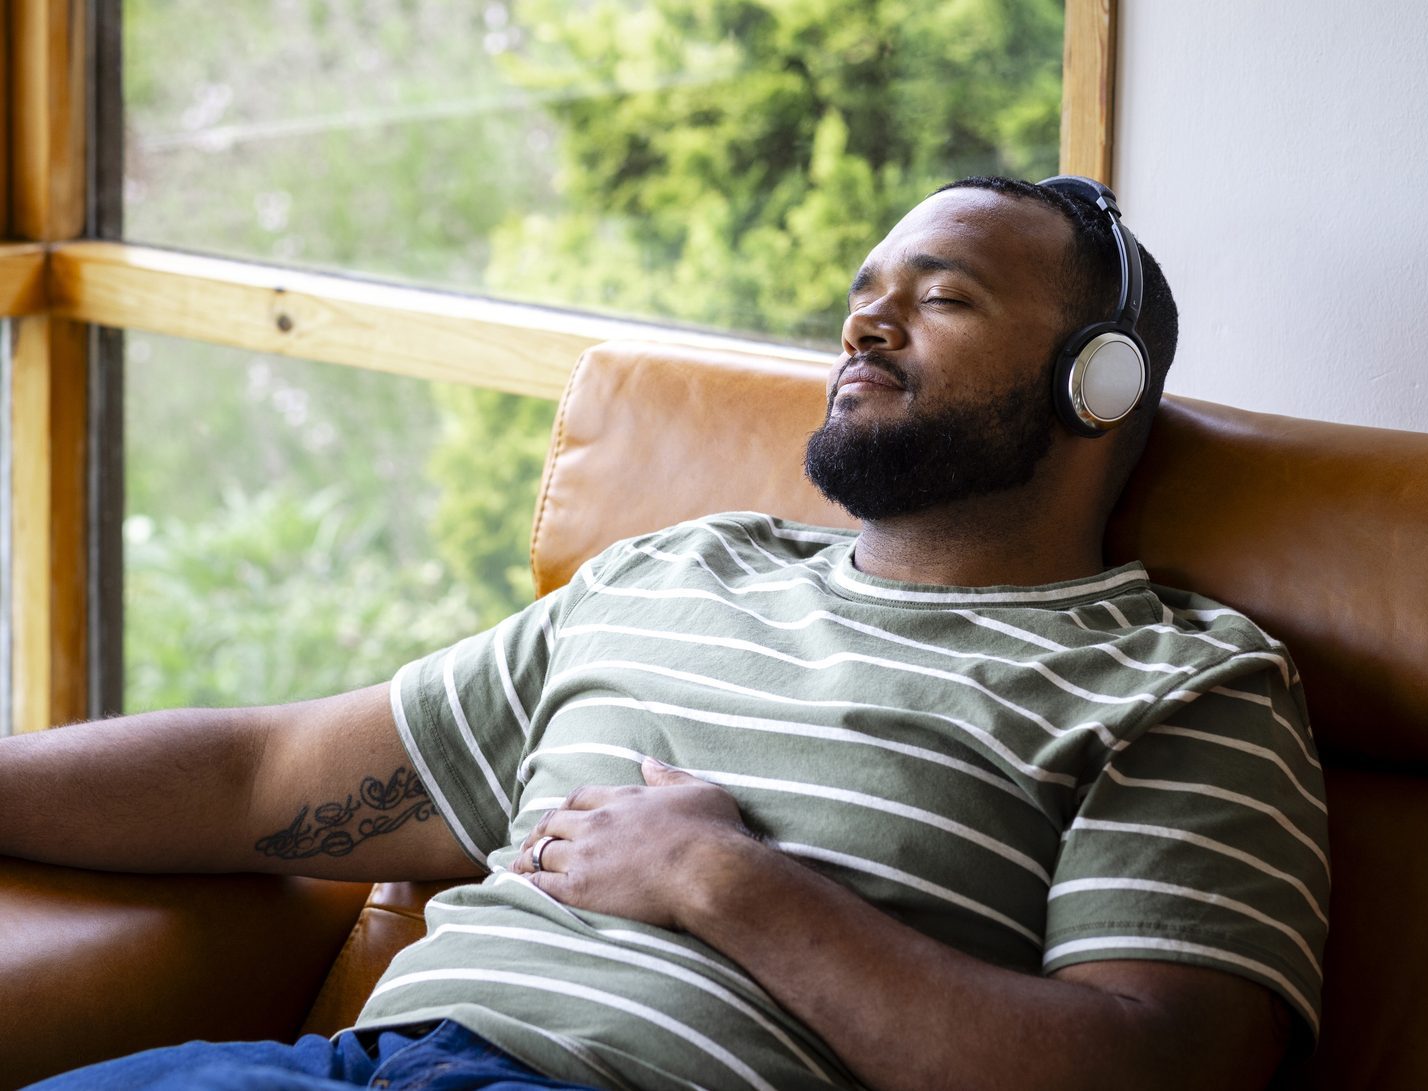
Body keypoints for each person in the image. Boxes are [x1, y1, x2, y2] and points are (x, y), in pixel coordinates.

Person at [1, 177, 1328, 1091]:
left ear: (1097, 385)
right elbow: (264, 783)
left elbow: (1150, 1070)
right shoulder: (679, 569)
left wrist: (722, 882)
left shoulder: (1183, 683)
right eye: (868, 289)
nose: (866, 320)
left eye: (945, 296)